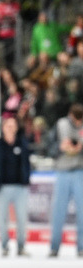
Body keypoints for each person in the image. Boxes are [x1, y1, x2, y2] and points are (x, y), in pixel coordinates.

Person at [0, 116, 32, 257]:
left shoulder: (22, 144)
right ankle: (4, 246)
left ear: (16, 128)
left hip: (20, 187)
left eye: (13, 125)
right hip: (3, 187)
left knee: (21, 219)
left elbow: (27, 164)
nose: (10, 128)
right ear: (3, 128)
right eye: (8, 126)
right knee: (2, 219)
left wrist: (26, 179)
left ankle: (21, 246)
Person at [49, 103, 83, 258]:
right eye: (76, 120)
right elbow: (48, 145)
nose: (78, 124)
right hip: (62, 171)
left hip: (79, 171)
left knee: (82, 212)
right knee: (58, 212)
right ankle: (54, 247)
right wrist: (60, 147)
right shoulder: (60, 124)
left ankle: (81, 247)